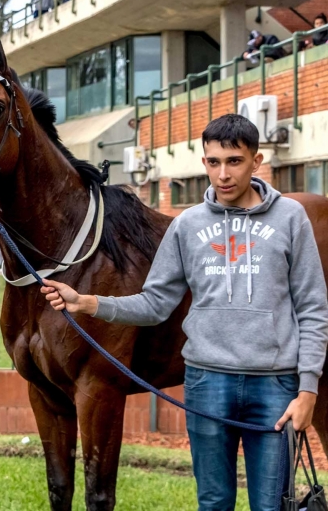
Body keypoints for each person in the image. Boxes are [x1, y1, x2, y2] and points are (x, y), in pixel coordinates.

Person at [40, 113, 328, 511]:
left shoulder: (290, 219)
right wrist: (89, 303)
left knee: (271, 504)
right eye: (213, 162)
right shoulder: (187, 225)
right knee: (212, 503)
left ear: (256, 161)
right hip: (208, 385)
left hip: (274, 385)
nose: (222, 174)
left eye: (234, 161)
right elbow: (156, 303)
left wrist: (308, 388)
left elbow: (313, 307)